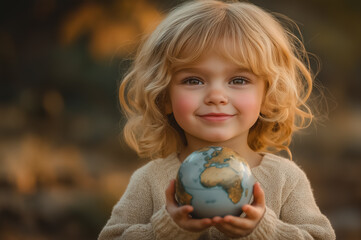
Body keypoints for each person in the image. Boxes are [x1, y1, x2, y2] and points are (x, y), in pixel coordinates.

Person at [99, 0, 335, 239]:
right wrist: (167, 229)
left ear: (268, 95)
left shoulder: (285, 179)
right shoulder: (150, 180)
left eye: (239, 80)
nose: (216, 97)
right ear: (164, 97)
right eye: (194, 80)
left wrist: (266, 230)